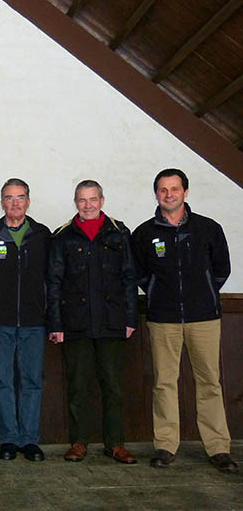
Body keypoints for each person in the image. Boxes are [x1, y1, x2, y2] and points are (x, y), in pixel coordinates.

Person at [132, 168, 238, 473]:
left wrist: (201, 293)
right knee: (164, 384)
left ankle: (218, 448)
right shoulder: (144, 233)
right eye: (163, 190)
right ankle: (165, 446)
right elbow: (139, 273)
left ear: (185, 192)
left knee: (210, 383)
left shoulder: (208, 228)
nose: (169, 195)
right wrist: (156, 292)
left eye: (174, 189)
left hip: (204, 318)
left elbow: (221, 269)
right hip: (163, 319)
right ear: (156, 194)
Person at [46, 180, 137, 464]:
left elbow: (129, 279)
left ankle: (116, 443)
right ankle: (79, 442)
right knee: (78, 386)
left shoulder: (120, 233)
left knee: (113, 386)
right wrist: (56, 324)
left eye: (93, 199)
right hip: (76, 324)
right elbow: (54, 283)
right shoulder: (62, 237)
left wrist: (131, 317)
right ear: (76, 202)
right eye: (82, 200)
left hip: (112, 321)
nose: (88, 205)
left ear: (102, 200)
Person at [0, 178, 50, 462]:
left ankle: (29, 440)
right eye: (9, 198)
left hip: (34, 321)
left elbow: (52, 280)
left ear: (28, 202)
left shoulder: (43, 235)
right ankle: (8, 439)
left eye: (20, 198)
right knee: (2, 381)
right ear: (2, 202)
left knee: (31, 382)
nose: (15, 203)